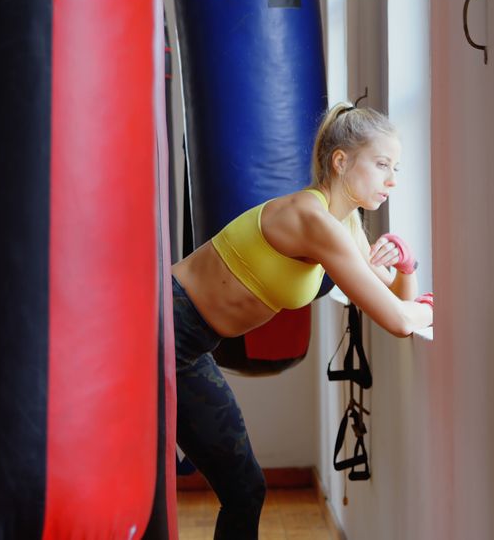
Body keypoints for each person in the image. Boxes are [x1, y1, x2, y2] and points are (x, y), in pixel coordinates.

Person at [170, 103, 433, 538]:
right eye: (382, 164)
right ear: (341, 160)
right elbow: (401, 320)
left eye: (397, 168)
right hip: (164, 326)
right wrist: (432, 305)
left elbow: (390, 293)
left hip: (192, 346)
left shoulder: (344, 225)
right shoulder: (314, 220)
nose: (393, 180)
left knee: (244, 488)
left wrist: (408, 262)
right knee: (227, 486)